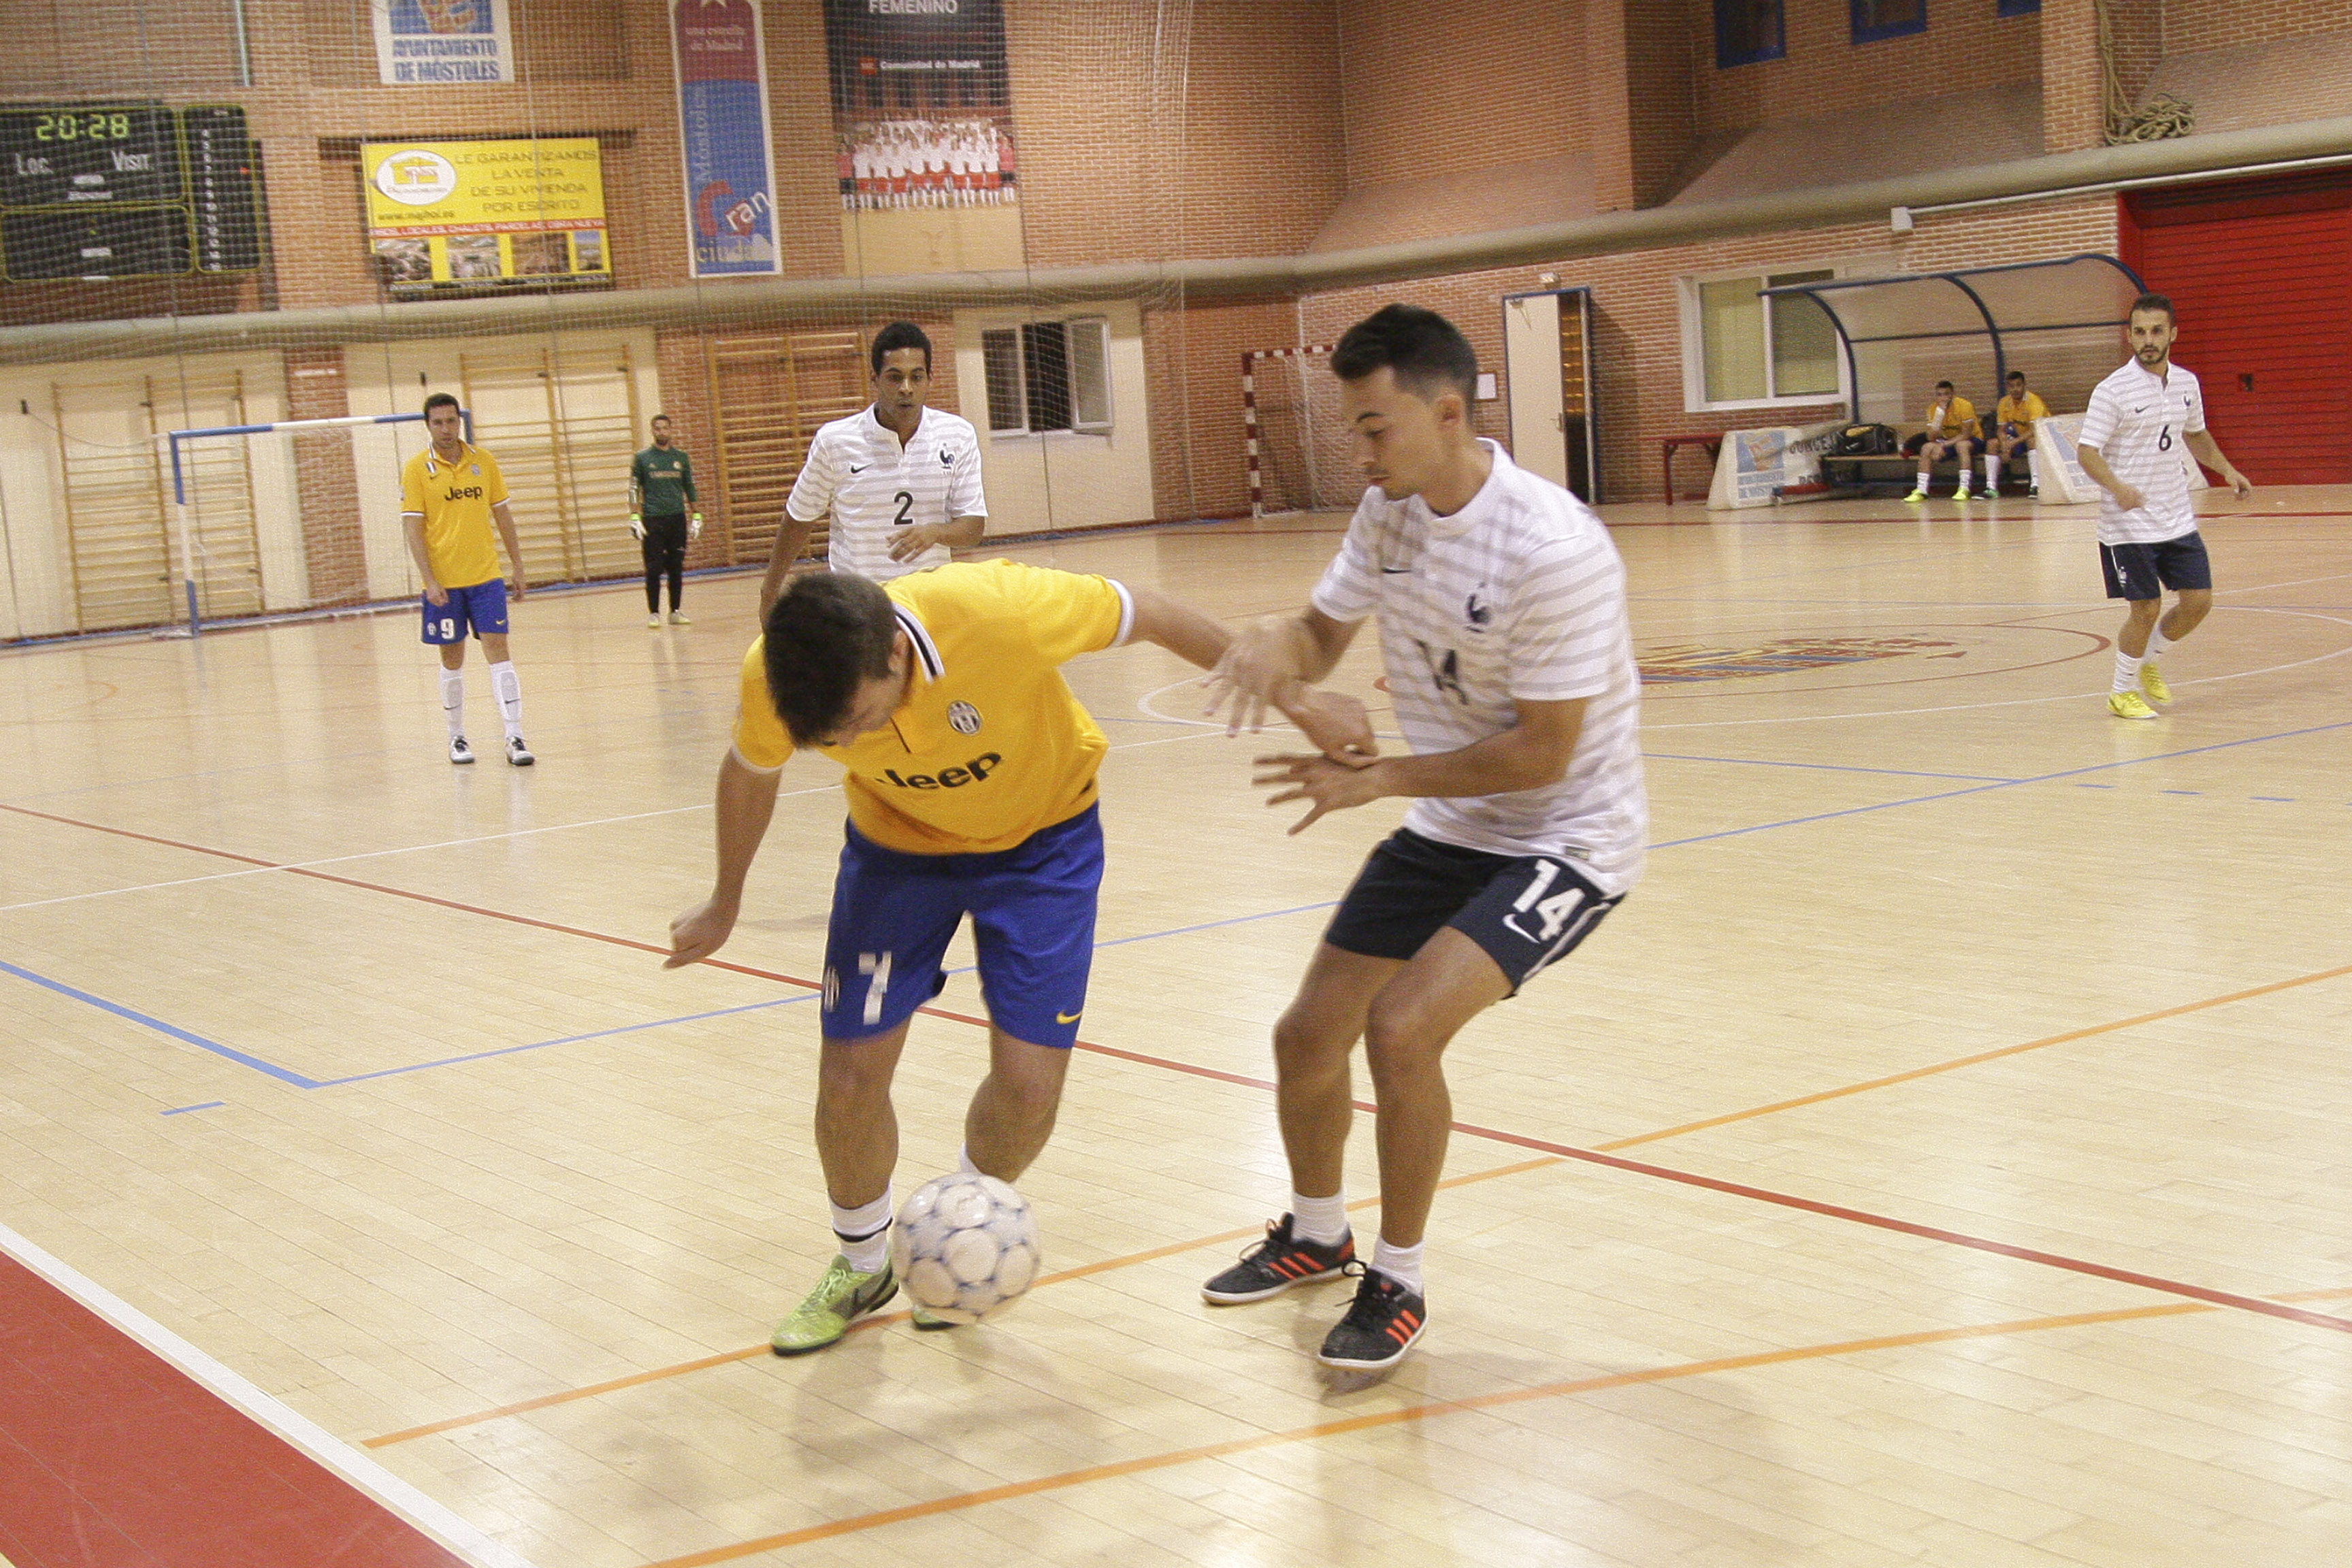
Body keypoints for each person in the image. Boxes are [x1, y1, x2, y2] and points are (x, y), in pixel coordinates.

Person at [666, 561, 1366, 1354]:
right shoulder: (778, 675)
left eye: (858, 719)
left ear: (897, 654)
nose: (852, 742)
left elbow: (1152, 609)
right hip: (897, 851)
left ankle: (956, 1237)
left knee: (1030, 1089)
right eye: (832, 740)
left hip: (1045, 846)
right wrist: (725, 899)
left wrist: (1302, 704)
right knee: (851, 1072)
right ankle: (863, 1262)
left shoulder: (995, 610)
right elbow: (752, 771)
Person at [1199, 304, 1645, 1374]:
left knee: (1400, 1031)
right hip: (1454, 820)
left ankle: (1398, 1280)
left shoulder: (1552, 548)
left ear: (1449, 415)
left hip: (1567, 837)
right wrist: (1278, 648)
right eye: (1352, 431)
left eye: (1373, 429)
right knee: (1307, 1036)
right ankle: (1317, 1236)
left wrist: (1381, 777)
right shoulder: (1390, 512)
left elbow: (1542, 753)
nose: (1358, 455)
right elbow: (1321, 630)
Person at [2075, 292, 2252, 721]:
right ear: (2130, 336)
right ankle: (2121, 691)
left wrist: (2227, 470)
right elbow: (2087, 452)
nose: (2148, 340)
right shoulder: (2112, 390)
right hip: (2129, 526)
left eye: (2156, 331)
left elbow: (2196, 435)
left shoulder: (2187, 383)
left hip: (2176, 517)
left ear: (2173, 333)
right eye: (2139, 332)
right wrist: (2117, 487)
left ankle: (2149, 658)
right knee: (2147, 608)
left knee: (2199, 602)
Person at [758, 321, 985, 620]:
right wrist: (770, 591)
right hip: (857, 605)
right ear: (875, 379)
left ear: (930, 379)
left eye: (916, 377)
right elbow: (800, 516)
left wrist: (935, 532)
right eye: (895, 377)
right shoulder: (836, 441)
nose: (906, 388)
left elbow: (972, 527)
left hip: (930, 602)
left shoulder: (958, 434)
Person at [400, 393, 533, 767]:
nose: (446, 429)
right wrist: (429, 579)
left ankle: (515, 736)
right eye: (438, 422)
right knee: (452, 657)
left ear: (460, 421)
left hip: (485, 577)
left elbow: (503, 516)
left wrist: (518, 565)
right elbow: (413, 526)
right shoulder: (416, 470)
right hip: (444, 584)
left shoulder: (483, 461)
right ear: (428, 426)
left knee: (499, 652)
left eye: (451, 421)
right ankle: (456, 737)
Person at [630, 414, 703, 629]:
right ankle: (654, 612)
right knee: (653, 568)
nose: (662, 432)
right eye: (658, 429)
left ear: (671, 430)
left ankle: (675, 611)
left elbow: (689, 487)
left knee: (676, 567)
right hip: (652, 519)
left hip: (676, 518)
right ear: (653, 431)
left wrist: (696, 514)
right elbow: (634, 488)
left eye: (665, 428)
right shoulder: (642, 458)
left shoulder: (681, 457)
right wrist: (635, 515)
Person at [1903, 380, 1979, 502]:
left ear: (1952, 394)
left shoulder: (1965, 406)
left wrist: (1943, 445)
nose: (1943, 398)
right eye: (1939, 395)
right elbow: (1931, 438)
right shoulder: (1933, 409)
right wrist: (1940, 414)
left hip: (1972, 439)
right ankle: (1922, 490)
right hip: (1948, 440)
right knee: (1926, 447)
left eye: (1946, 394)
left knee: (1962, 445)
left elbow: (1966, 434)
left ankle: (1964, 488)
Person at [1987, 369, 2048, 499]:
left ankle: (2036, 486)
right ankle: (1991, 488)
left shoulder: (2034, 401)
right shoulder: (2004, 402)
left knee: (2032, 440)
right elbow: (2001, 429)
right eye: (2011, 386)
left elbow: (2034, 430)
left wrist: (2012, 443)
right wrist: (2004, 445)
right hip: (2019, 438)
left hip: (2043, 438)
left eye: (2018, 385)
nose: (2015, 389)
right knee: (1992, 444)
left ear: (2024, 385)